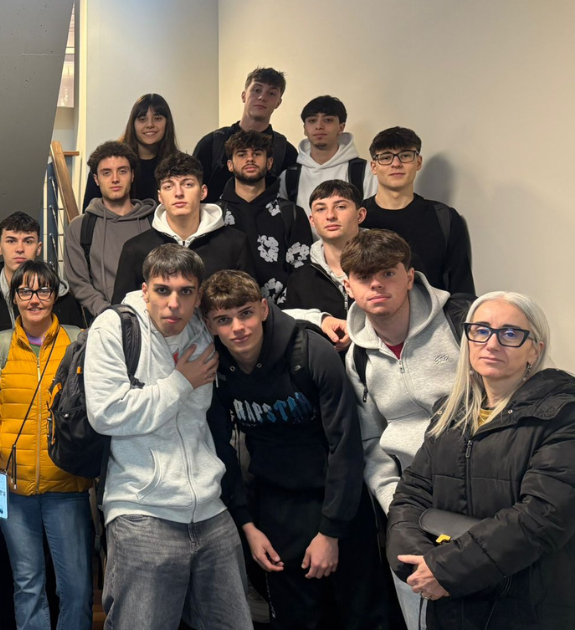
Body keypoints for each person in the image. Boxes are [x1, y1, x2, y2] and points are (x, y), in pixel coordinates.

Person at [203, 270, 389, 630]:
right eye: (224, 320)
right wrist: (247, 526)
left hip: (338, 501)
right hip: (275, 508)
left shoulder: (310, 352)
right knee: (295, 619)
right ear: (210, 325)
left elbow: (345, 446)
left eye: (245, 313)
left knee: (363, 616)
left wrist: (331, 532)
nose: (238, 328)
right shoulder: (217, 369)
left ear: (263, 309)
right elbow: (220, 451)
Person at [85, 244, 252, 629]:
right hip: (142, 511)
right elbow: (106, 413)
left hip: (209, 509)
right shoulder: (115, 327)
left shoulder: (200, 327)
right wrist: (180, 382)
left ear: (198, 295)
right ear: (145, 290)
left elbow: (255, 311)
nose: (173, 303)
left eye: (185, 292)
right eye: (162, 290)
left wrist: (321, 317)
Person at [388, 292, 575, 629]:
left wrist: (446, 569)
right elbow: (410, 494)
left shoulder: (563, 414)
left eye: (510, 333)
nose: (491, 343)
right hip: (451, 604)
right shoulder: (449, 414)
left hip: (527, 606)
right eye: (481, 330)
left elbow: (543, 516)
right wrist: (419, 563)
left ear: (535, 349)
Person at [341, 229, 472, 628]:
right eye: (364, 277)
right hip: (413, 504)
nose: (376, 284)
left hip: (481, 492)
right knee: (422, 616)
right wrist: (395, 502)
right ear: (348, 286)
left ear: (409, 276)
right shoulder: (357, 357)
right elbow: (370, 442)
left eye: (387, 273)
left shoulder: (460, 323)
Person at [0, 212, 78, 629]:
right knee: (6, 558)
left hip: (59, 470)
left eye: (28, 240)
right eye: (11, 240)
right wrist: (0, 445)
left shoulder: (71, 321)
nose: (34, 299)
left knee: (66, 574)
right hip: (5, 470)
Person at [0, 260, 95, 630]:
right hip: (10, 486)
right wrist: (0, 445)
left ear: (54, 295)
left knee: (75, 586)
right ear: (14, 297)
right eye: (25, 290)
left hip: (67, 483)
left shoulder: (79, 341)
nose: (34, 298)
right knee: (27, 583)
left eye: (43, 289)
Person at [112, 151, 253, 304]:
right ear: (160, 196)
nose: (178, 193)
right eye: (168, 186)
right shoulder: (135, 249)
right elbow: (121, 311)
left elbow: (249, 305)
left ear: (203, 192)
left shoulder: (235, 243)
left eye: (188, 184)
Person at [361, 127, 475, 294]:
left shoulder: (444, 218)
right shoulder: (357, 217)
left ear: (418, 162)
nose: (396, 164)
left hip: (434, 311)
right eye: (385, 157)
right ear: (374, 166)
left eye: (406, 155)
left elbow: (462, 287)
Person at [0, 211, 85, 357]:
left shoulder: (65, 301)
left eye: (28, 241)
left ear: (39, 248)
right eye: (11, 241)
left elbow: (78, 354)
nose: (20, 249)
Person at [215, 130, 313, 304]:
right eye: (242, 154)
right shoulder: (214, 215)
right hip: (225, 311)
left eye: (257, 154)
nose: (250, 159)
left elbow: (301, 272)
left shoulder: (291, 213)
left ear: (269, 163)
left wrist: (280, 314)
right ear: (230, 165)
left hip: (283, 313)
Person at [64, 141, 158, 316]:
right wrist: (109, 314)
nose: (115, 179)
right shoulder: (80, 227)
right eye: (106, 173)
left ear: (132, 175)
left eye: (122, 171)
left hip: (154, 319)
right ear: (96, 179)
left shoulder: (155, 221)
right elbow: (78, 282)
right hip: (104, 319)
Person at [193, 67, 298, 202]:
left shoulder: (285, 152)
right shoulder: (212, 144)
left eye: (271, 93)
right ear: (244, 95)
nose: (262, 97)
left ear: (278, 102)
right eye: (257, 90)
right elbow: (191, 191)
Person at [284, 180, 367, 340]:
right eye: (321, 209)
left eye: (340, 206)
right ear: (312, 221)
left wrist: (358, 335)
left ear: (360, 215)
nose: (330, 216)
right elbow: (291, 329)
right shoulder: (300, 279)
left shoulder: (389, 262)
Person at [279, 96, 377, 211]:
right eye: (312, 120)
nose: (319, 126)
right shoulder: (288, 177)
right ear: (305, 128)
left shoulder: (366, 172)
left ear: (341, 127)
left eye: (328, 120)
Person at [82, 93, 179, 209]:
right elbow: (89, 211)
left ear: (167, 123)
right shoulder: (109, 161)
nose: (150, 125)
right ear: (133, 124)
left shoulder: (178, 163)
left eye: (157, 118)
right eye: (142, 119)